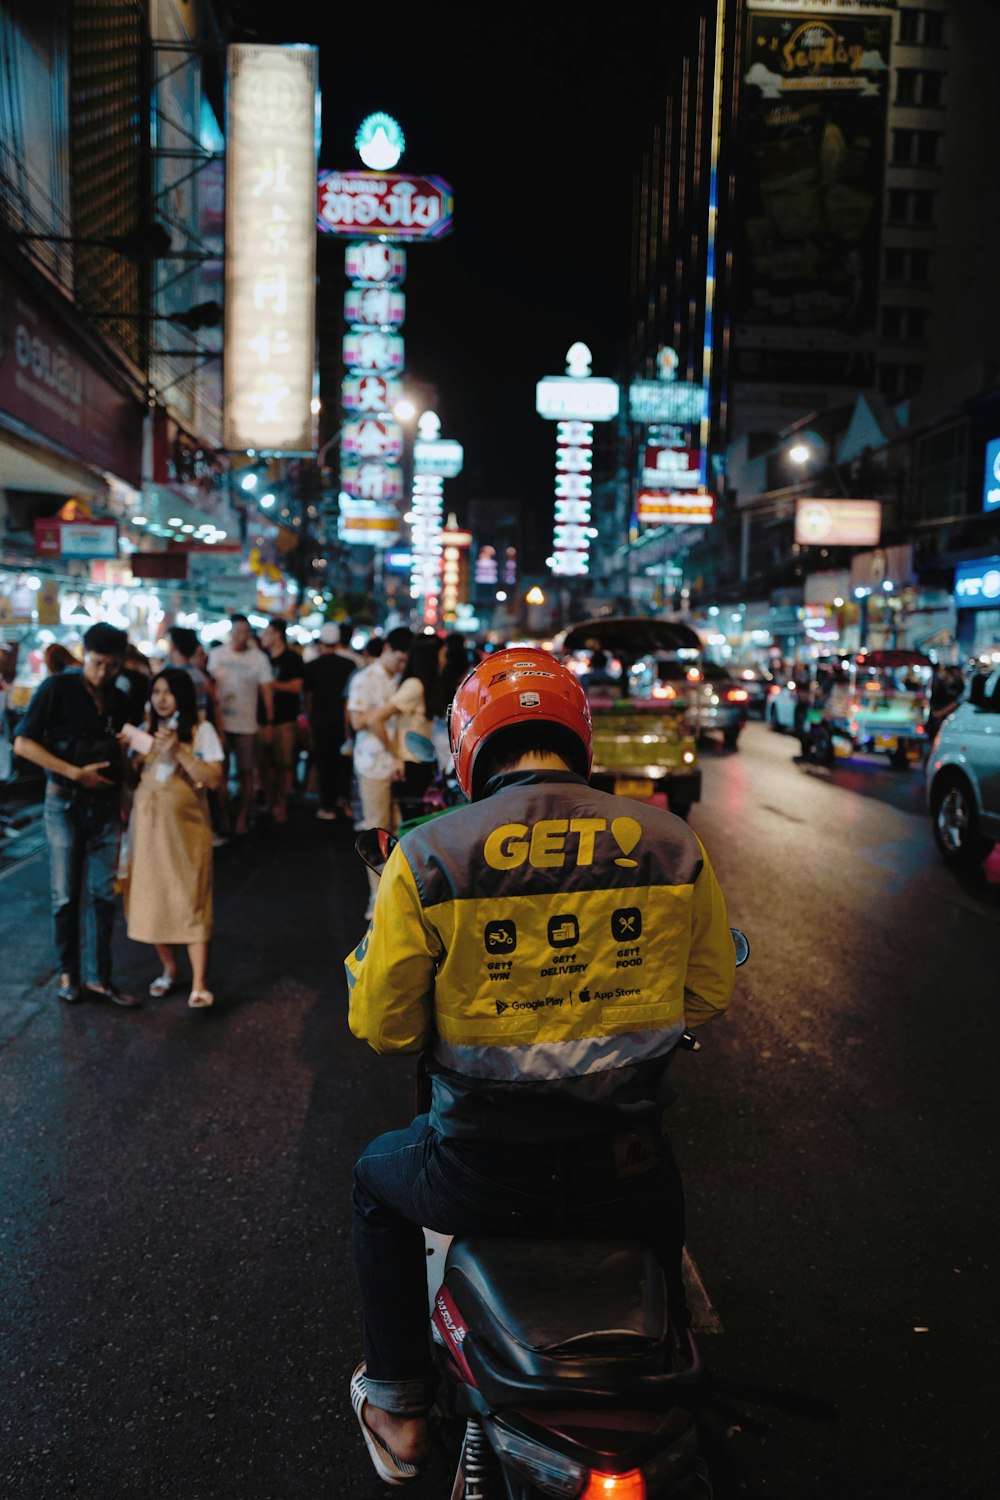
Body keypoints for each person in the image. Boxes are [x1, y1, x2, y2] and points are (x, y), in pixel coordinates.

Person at [344, 647, 735, 1480]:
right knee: (666, 1236)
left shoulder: (427, 856)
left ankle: (399, 1406)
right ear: (576, 738)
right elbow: (704, 995)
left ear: (468, 746)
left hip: (477, 1172)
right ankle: (678, 1399)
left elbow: (384, 1028)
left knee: (376, 1183)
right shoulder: (672, 843)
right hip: (625, 1172)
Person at [13, 622, 140, 1008]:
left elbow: (122, 755)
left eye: (112, 665)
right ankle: (69, 973)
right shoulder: (57, 689)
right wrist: (74, 773)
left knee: (104, 894)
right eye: (98, 663)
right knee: (66, 895)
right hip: (64, 802)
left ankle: (101, 977)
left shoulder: (118, 698)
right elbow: (22, 743)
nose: (104, 672)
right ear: (85, 654)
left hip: (104, 807)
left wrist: (125, 794)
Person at [124, 668, 224, 1007]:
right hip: (148, 833)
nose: (161, 699)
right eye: (156, 692)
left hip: (186, 835)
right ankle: (169, 968)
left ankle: (199, 982)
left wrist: (179, 750)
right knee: (152, 900)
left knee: (191, 899)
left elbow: (213, 779)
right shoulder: (144, 731)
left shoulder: (201, 730)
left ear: (182, 695)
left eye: (168, 692)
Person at [346, 626, 412, 919]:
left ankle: (392, 893)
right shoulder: (364, 679)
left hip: (397, 762)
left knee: (397, 829)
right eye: (399, 658)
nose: (401, 665)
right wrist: (379, 720)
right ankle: (376, 896)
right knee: (377, 829)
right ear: (387, 649)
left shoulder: (400, 680)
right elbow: (359, 721)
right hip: (373, 763)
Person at [207, 614, 275, 836]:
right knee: (220, 773)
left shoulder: (259, 658)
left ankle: (243, 816)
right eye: (237, 632)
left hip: (247, 725)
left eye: (245, 633)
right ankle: (224, 816)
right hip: (220, 726)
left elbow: (267, 692)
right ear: (230, 633)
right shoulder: (216, 655)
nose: (240, 637)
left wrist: (269, 723)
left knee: (247, 771)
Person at [366, 635, 443, 826]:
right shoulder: (414, 686)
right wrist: (395, 755)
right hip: (411, 764)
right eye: (441, 655)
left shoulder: (424, 685)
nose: (443, 660)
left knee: (415, 824)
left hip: (420, 763)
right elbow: (375, 718)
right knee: (413, 826)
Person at [303, 623, 356, 820]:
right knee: (343, 763)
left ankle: (327, 805)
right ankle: (344, 799)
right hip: (343, 723)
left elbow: (308, 698)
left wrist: (309, 721)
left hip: (320, 722)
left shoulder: (312, 666)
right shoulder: (349, 665)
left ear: (321, 643)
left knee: (325, 763)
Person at [257, 617, 303, 825]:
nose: (262, 637)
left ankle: (281, 804)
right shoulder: (261, 658)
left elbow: (296, 687)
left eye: (266, 633)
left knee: (284, 764)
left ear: (277, 634)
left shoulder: (292, 659)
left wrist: (270, 685)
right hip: (261, 720)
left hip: (285, 720)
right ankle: (269, 800)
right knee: (264, 764)